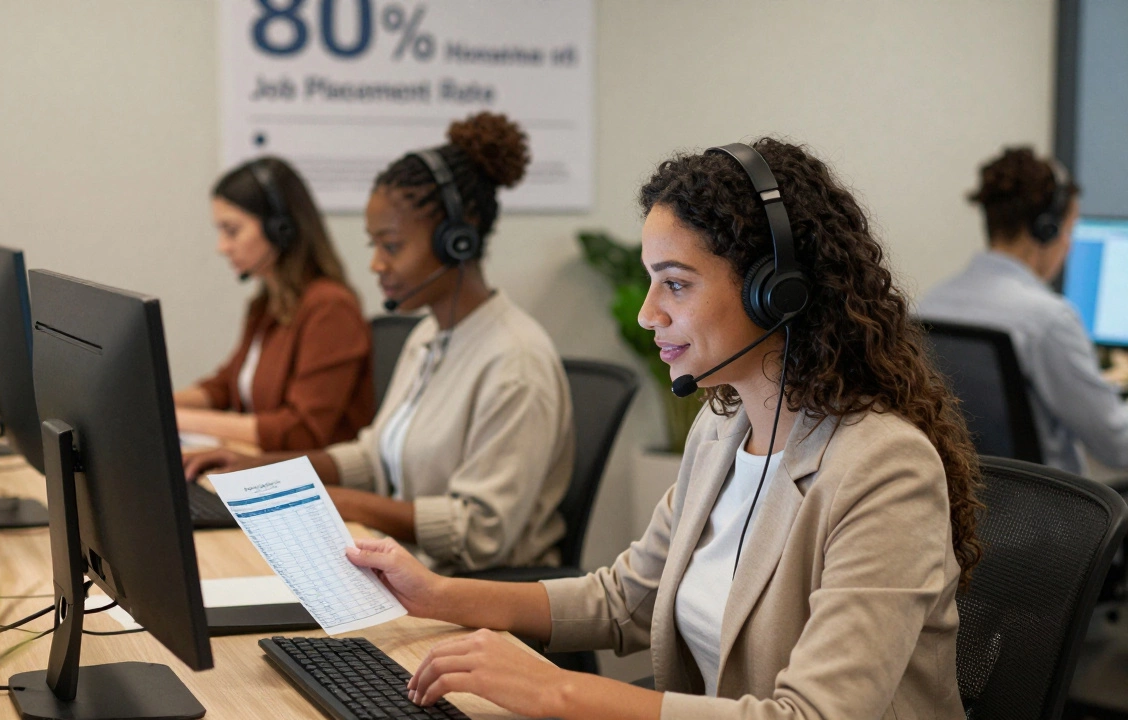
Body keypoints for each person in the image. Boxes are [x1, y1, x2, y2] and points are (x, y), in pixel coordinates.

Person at [344, 139, 982, 719]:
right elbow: (625, 599)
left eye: (675, 284)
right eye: (653, 282)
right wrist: (434, 595)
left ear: (776, 293)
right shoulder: (721, 430)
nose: (649, 314)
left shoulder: (883, 468)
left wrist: (555, 690)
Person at [186, 113, 575, 574]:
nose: (374, 264)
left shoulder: (516, 361)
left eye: (390, 246)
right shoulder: (428, 336)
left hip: (478, 599)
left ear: (458, 242)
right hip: (406, 569)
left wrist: (325, 499)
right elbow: (373, 457)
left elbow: (478, 532)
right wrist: (264, 466)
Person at [920, 146, 1128, 475]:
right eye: (1069, 230)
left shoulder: (931, 303)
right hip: (1047, 516)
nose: (1069, 245)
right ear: (1045, 229)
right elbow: (1118, 447)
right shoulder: (1048, 320)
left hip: (968, 508)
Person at [173, 157, 374, 452]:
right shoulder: (267, 304)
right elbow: (226, 386)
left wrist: (178, 419)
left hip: (316, 485)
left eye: (232, 230)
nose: (222, 247)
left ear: (280, 229)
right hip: (269, 467)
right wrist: (155, 404)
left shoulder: (331, 308)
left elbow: (302, 431)